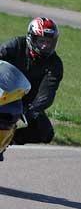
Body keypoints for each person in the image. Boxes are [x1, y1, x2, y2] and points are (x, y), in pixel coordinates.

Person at [0, 17, 63, 161]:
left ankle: (8, 139)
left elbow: (48, 91)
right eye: (42, 41)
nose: (45, 46)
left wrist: (33, 109)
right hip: (4, 89)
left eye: (49, 42)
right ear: (31, 38)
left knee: (45, 132)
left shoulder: (55, 64)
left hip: (27, 101)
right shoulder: (16, 44)